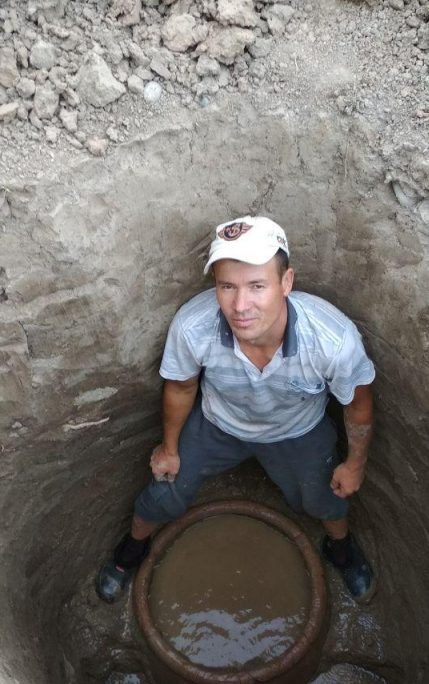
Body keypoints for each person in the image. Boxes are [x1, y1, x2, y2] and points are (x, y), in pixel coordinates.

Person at [96, 216, 377, 605]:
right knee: (165, 493)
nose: (240, 306)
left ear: (287, 283)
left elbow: (357, 404)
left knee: (323, 498)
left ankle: (341, 550)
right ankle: (131, 551)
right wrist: (170, 447)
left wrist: (355, 465)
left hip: (297, 430)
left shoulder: (332, 340)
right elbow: (181, 386)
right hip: (217, 423)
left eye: (257, 286)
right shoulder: (195, 326)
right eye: (227, 286)